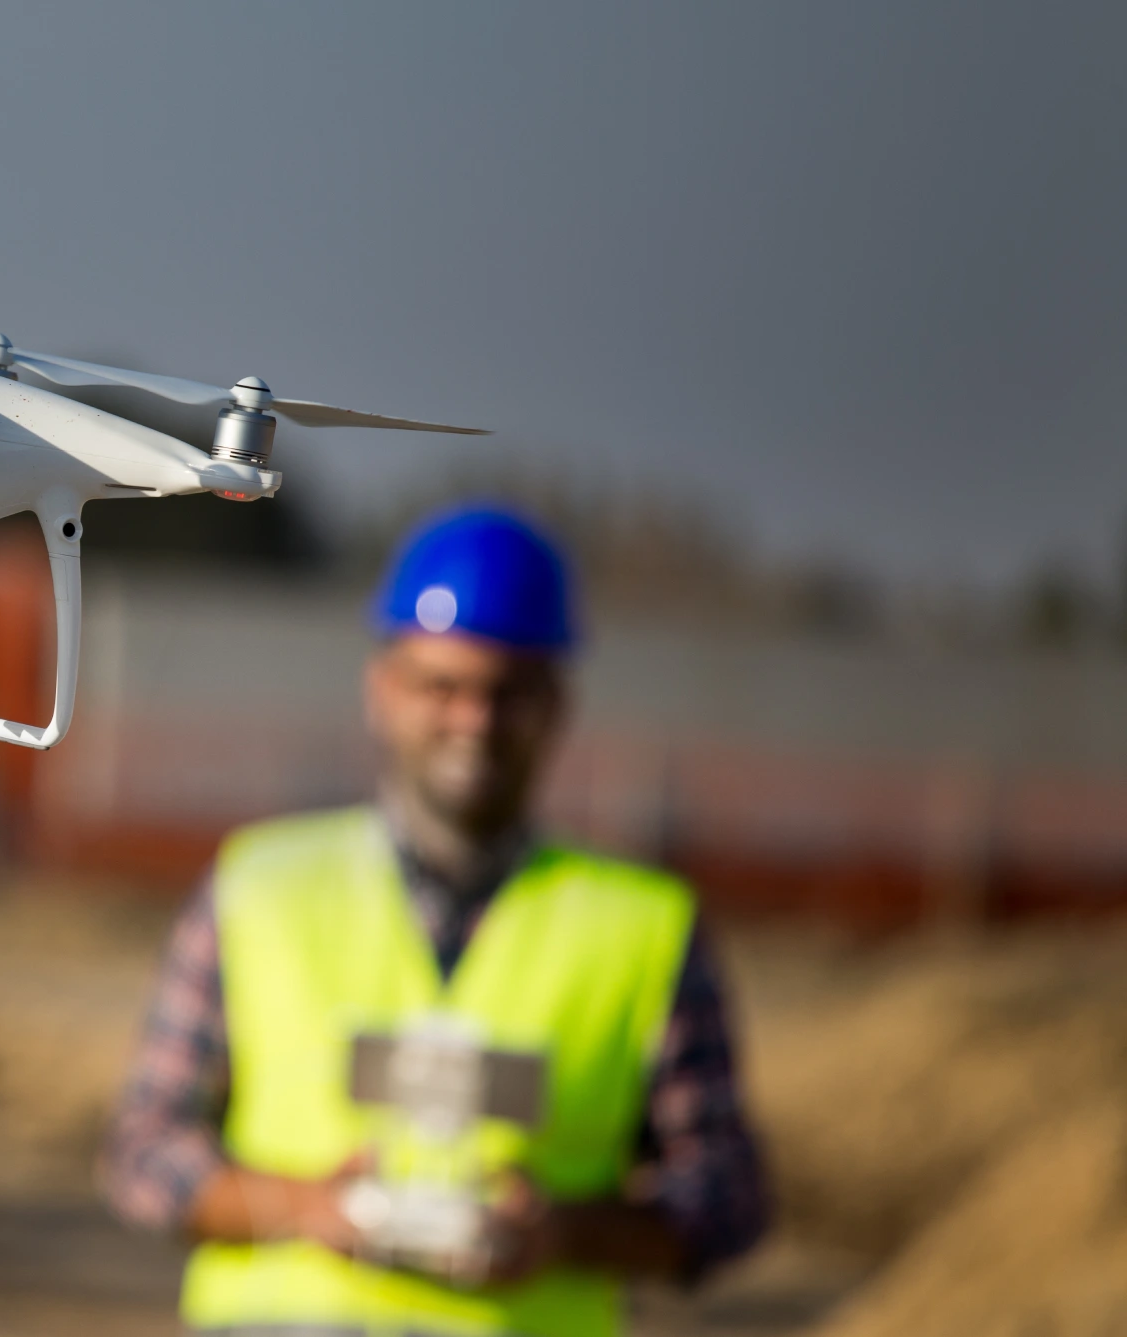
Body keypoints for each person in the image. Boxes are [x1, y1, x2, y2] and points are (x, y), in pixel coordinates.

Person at [100, 506, 769, 1337]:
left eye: (507, 691)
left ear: (556, 702)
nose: (474, 721)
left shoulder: (645, 926)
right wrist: (302, 1207)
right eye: (441, 685)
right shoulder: (256, 889)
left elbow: (728, 1194)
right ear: (382, 688)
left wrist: (567, 1233)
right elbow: (144, 1150)